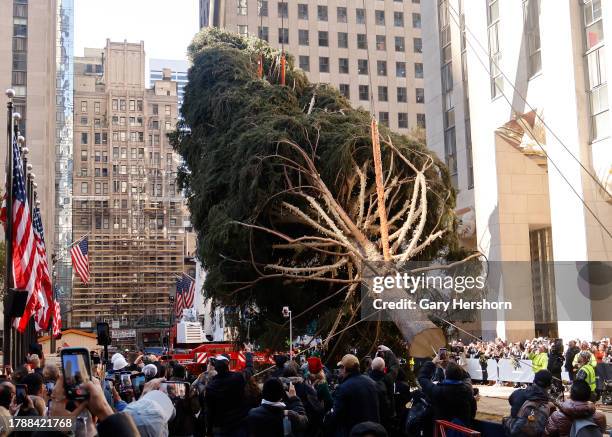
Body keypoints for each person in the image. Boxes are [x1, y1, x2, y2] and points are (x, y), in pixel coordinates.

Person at [325, 354, 380, 437]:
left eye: (340, 367)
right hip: (372, 432)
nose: (339, 370)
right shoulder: (372, 383)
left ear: (344, 368)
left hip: (353, 432)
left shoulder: (343, 388)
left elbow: (336, 416)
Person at [205, 352, 254, 436]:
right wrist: (248, 354)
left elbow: (210, 411)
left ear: (215, 369)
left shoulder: (210, 387)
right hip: (239, 424)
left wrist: (209, 430)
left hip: (221, 427)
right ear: (228, 366)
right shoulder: (238, 377)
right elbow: (249, 370)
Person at [417, 360, 477, 427]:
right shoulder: (467, 391)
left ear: (445, 374)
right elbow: (467, 377)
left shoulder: (437, 391)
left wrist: (432, 362)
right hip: (462, 432)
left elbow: (422, 377)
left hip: (442, 432)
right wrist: (454, 366)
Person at [368, 357, 394, 432]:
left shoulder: (365, 379)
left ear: (371, 366)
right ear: (384, 368)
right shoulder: (387, 379)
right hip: (383, 419)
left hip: (369, 418)